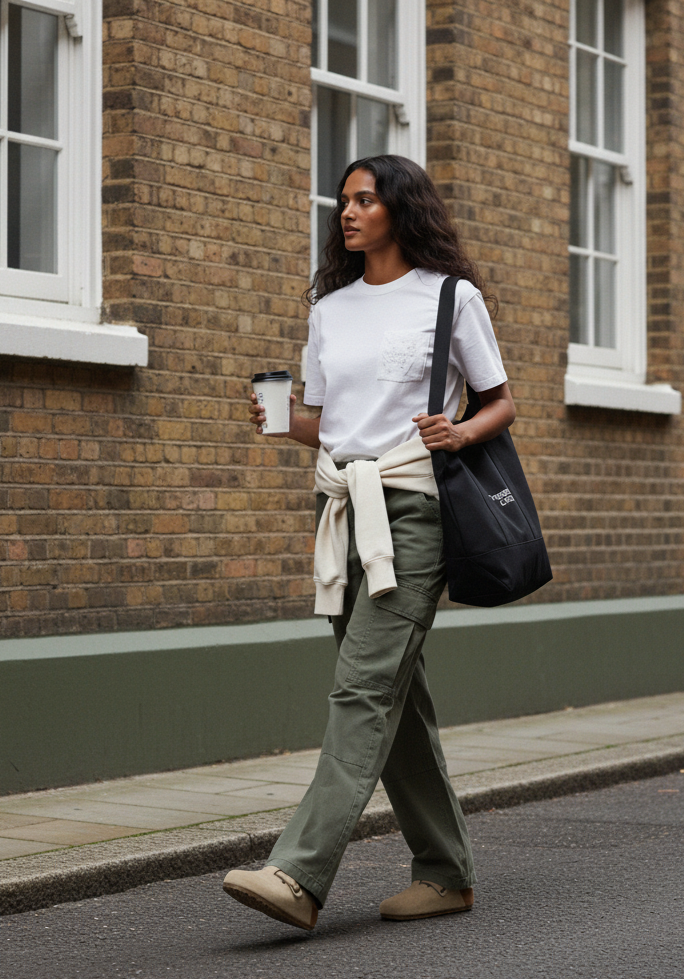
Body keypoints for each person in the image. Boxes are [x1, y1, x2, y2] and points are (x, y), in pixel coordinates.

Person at [223, 155, 515, 931]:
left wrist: (458, 429)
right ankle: (446, 874)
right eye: (344, 201)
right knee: (396, 700)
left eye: (365, 200)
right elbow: (329, 420)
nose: (348, 212)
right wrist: (283, 422)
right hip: (342, 515)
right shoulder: (332, 308)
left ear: (401, 210)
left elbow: (500, 401)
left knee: (361, 691)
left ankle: (298, 873)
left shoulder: (451, 298)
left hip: (414, 514)